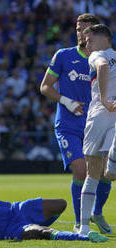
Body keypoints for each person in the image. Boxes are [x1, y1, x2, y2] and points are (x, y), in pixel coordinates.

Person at [40, 13, 112, 234]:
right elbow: (45, 86)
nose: (81, 33)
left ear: (95, 31)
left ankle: (96, 211)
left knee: (105, 172)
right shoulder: (63, 55)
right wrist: (66, 101)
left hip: (97, 122)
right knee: (81, 171)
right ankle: (81, 222)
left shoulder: (105, 58)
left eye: (85, 28)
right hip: (69, 124)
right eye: (78, 29)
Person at [79, 24, 116, 235]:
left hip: (100, 115)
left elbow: (101, 66)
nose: (87, 45)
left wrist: (103, 98)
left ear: (103, 39)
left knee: (92, 173)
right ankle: (112, 163)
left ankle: (83, 227)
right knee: (107, 173)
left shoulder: (97, 55)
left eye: (90, 40)